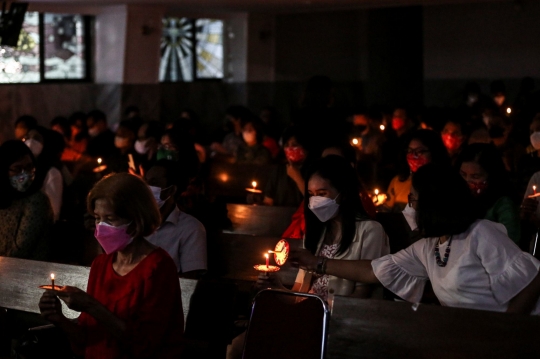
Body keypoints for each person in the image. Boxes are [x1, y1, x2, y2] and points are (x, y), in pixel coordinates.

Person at [291, 164, 540, 314]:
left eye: (413, 201)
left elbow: (533, 280)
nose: (409, 208)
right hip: (469, 335)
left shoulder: (481, 234)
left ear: (433, 204)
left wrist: (506, 330)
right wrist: (317, 263)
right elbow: (373, 270)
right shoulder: (430, 246)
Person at [38, 173, 184, 358]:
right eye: (97, 218)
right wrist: (59, 319)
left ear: (136, 219)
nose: (101, 227)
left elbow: (145, 345)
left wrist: (91, 306)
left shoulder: (158, 268)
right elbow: (87, 340)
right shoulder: (101, 264)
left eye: (110, 219)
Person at [261, 155, 389, 302]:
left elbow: (362, 295)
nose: (315, 201)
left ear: (343, 193)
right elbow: (299, 294)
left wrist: (323, 314)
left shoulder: (370, 230)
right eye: (311, 195)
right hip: (308, 314)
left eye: (322, 194)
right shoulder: (316, 233)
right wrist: (275, 286)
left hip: (336, 319)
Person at [145, 160, 207, 278]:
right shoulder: (133, 222)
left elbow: (189, 282)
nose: (146, 187)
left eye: (154, 183)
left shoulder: (191, 229)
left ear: (171, 190)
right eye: (145, 182)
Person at [457, 143, 521, 244]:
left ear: (492, 176)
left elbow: (510, 243)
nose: (467, 181)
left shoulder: (503, 205)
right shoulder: (456, 199)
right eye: (463, 175)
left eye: (475, 177)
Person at [0, 140, 53, 260]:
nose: (24, 174)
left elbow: (20, 251)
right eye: (17, 169)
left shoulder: (36, 200)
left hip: (27, 272)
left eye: (29, 167)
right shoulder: (5, 197)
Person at [382, 130, 449, 212]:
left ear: (434, 152)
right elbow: (386, 210)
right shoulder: (399, 180)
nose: (413, 155)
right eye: (410, 151)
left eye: (419, 151)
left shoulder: (445, 183)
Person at [263, 126, 307, 207]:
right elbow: (268, 201)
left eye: (294, 145)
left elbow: (315, 203)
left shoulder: (314, 171)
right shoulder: (279, 171)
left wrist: (296, 176)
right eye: (287, 145)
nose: (290, 148)